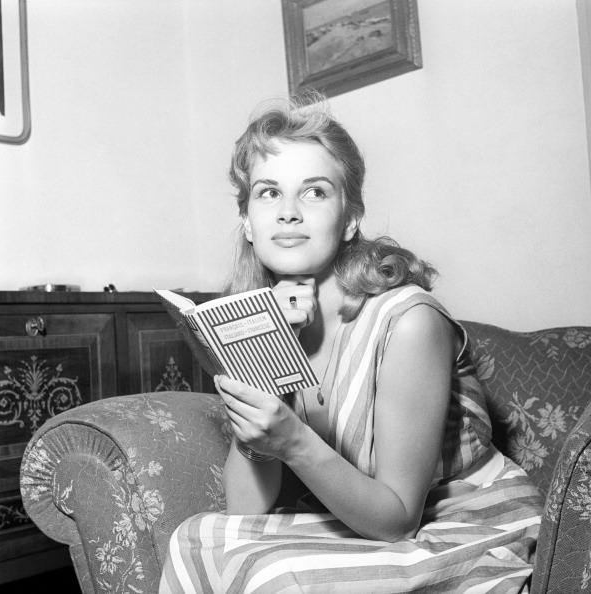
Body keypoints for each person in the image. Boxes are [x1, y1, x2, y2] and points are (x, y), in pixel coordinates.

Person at [159, 91, 542, 593]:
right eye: (268, 193)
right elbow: (245, 510)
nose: (288, 213)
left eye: (314, 192)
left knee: (274, 575)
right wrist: (263, 385)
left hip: (466, 525)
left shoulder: (409, 322)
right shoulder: (263, 321)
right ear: (247, 222)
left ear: (351, 218)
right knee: (194, 538)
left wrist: (294, 443)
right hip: (360, 526)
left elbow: (399, 520)